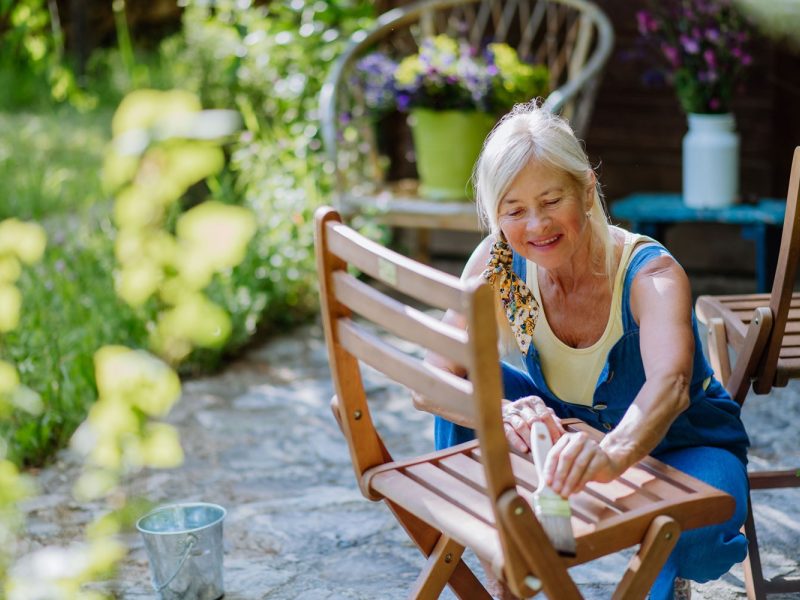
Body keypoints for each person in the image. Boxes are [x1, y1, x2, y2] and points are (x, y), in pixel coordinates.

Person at [412, 102, 749, 600]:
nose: (536, 225)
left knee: (695, 531)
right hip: (566, 425)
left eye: (551, 201)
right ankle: (507, 575)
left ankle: (664, 579)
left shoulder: (650, 274)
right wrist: (502, 414)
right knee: (471, 392)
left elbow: (671, 387)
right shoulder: (498, 264)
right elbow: (431, 381)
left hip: (683, 446)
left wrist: (610, 455)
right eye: (514, 210)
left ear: (587, 189)